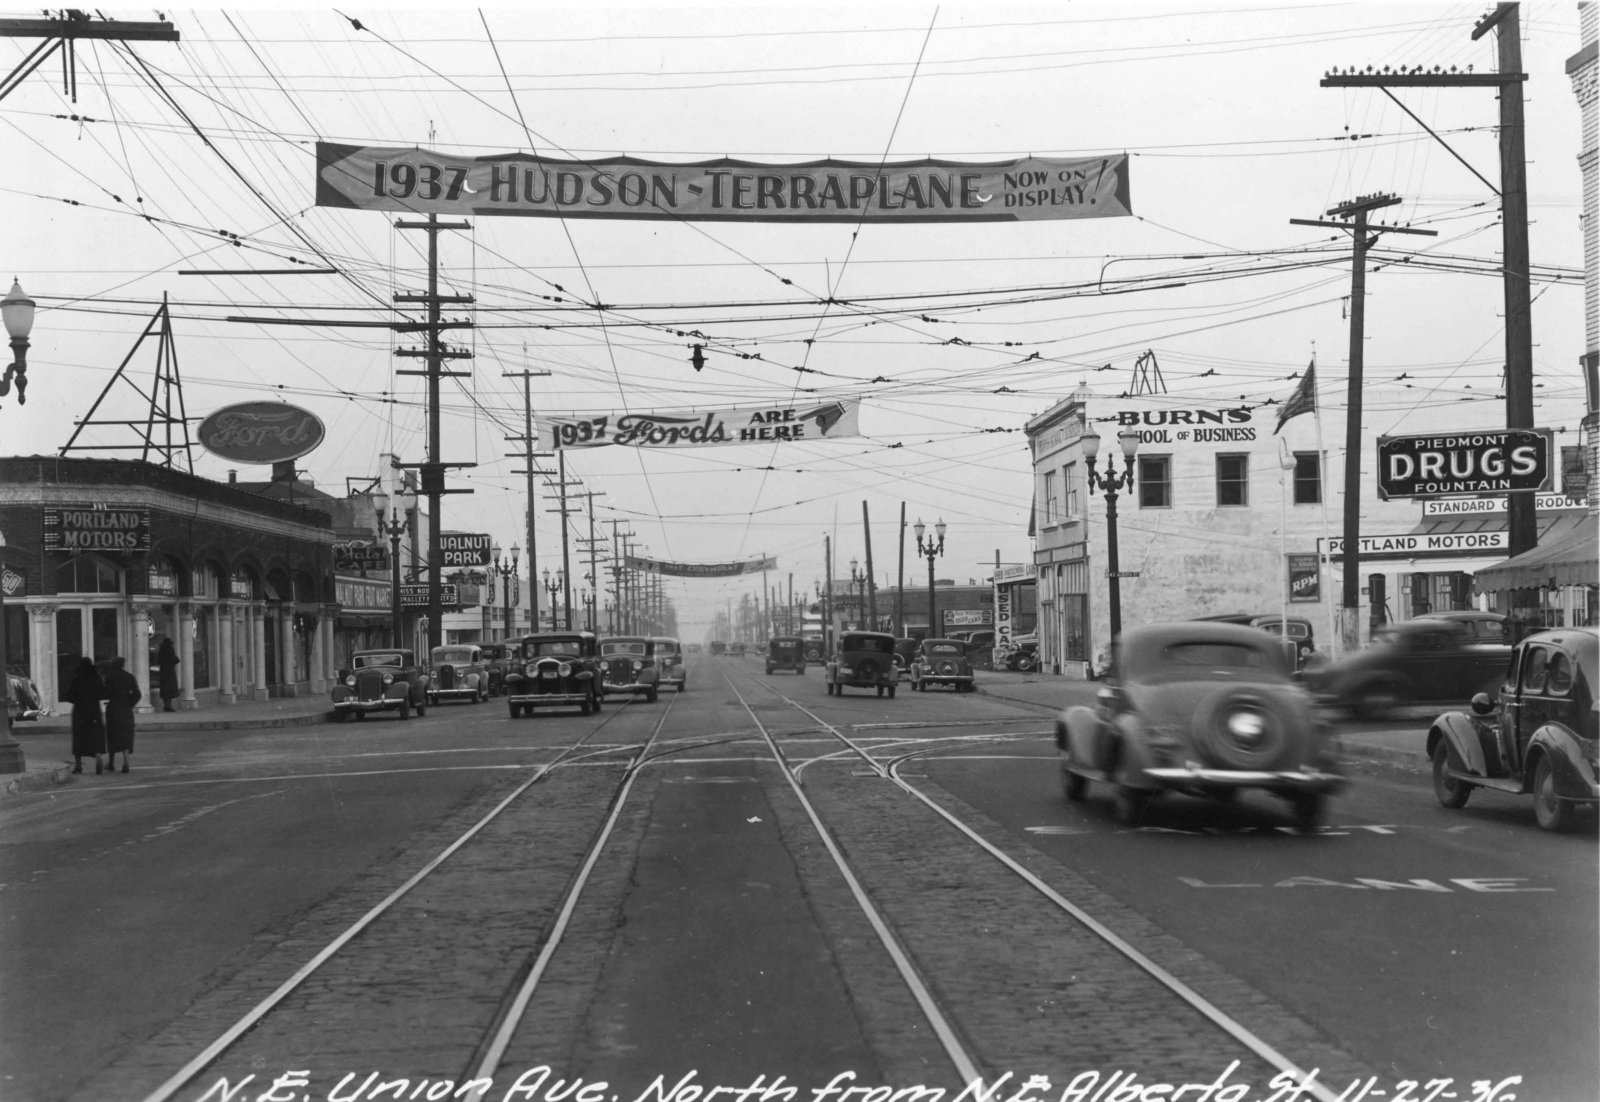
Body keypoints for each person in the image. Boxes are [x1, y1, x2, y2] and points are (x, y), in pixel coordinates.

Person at [63, 656, 107, 775]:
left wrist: (78, 699)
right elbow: (103, 692)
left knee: (79, 737)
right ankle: (98, 756)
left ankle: (78, 765)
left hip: (80, 711)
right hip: (94, 711)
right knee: (96, 735)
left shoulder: (78, 679)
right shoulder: (97, 678)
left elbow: (68, 695)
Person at [102, 656, 142, 774]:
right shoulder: (130, 677)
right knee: (126, 735)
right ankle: (126, 761)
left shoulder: (109, 677)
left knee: (112, 735)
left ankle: (111, 763)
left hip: (113, 708)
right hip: (126, 709)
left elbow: (105, 692)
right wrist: (130, 702)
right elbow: (137, 694)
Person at [157, 636, 180, 712]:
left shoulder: (161, 650)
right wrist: (176, 659)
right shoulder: (169, 649)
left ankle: (167, 705)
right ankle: (168, 706)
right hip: (169, 672)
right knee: (169, 690)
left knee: (165, 690)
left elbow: (158, 660)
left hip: (163, 672)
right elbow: (174, 659)